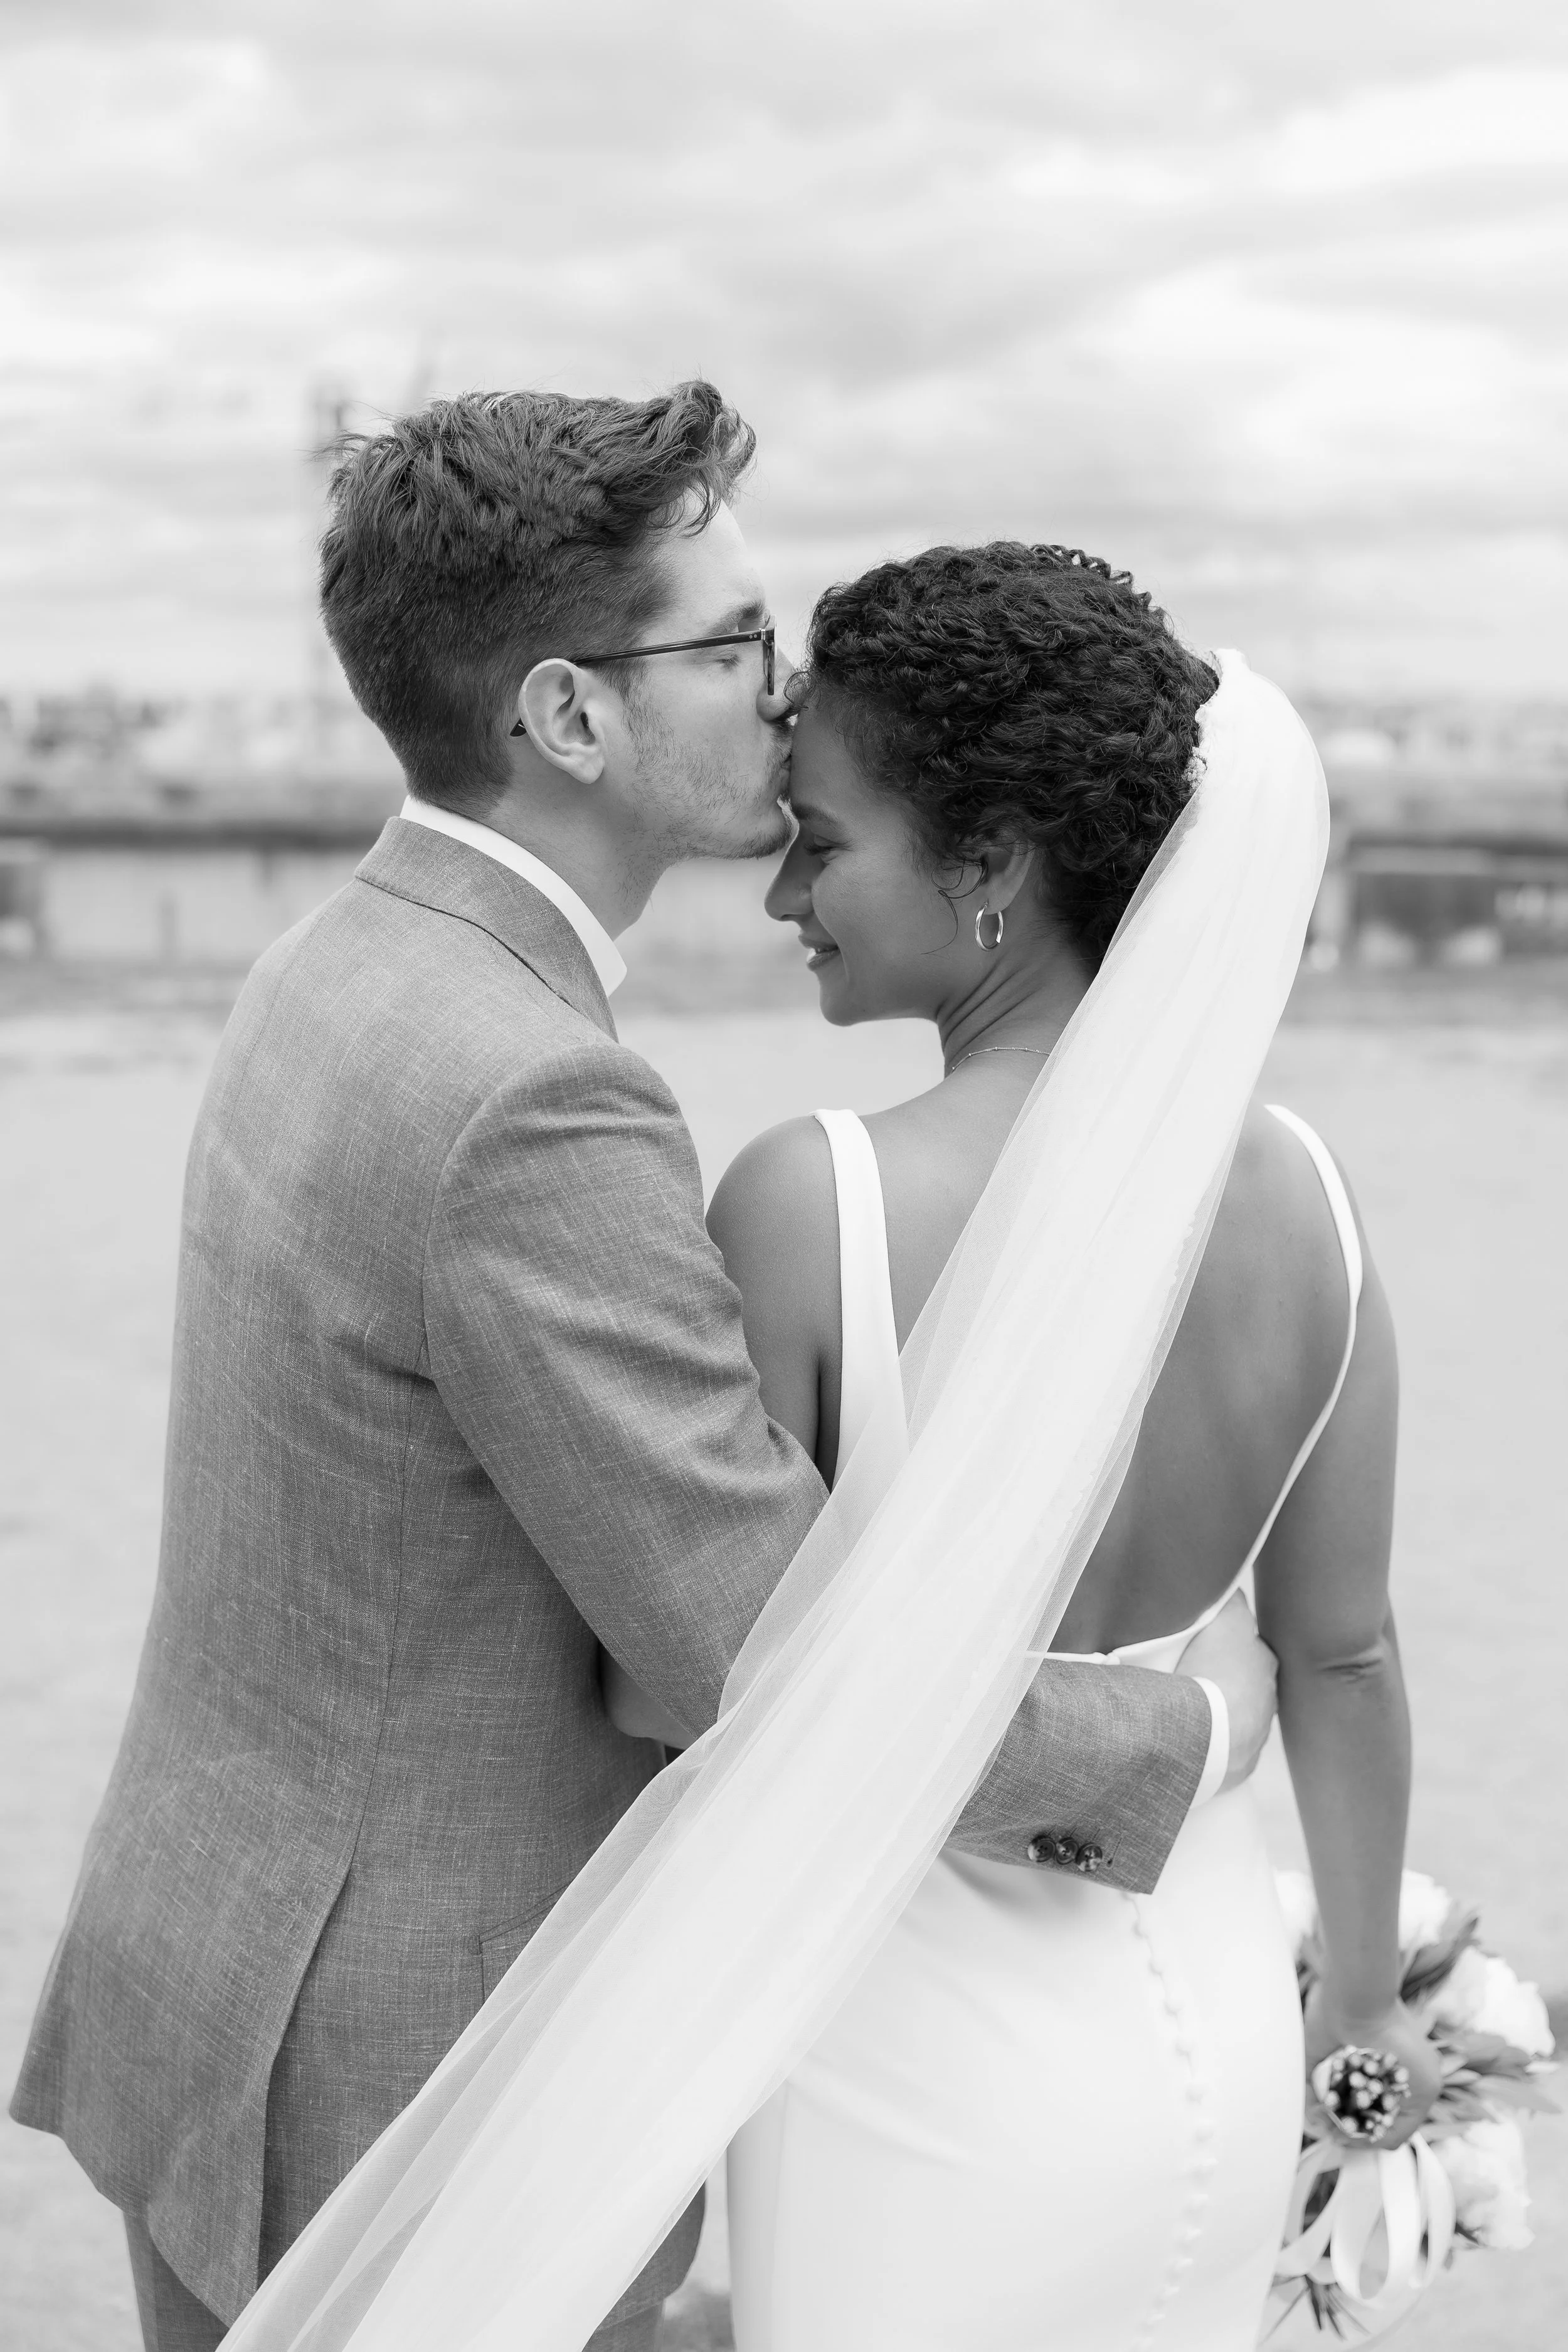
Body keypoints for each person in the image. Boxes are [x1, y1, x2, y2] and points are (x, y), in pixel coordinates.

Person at [9, 389, 1273, 2352]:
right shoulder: (534, 1096)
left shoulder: (340, 960)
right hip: (406, 2089)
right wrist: (1178, 1737)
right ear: (569, 715)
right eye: (735, 638)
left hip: (223, 1972)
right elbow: (754, 1646)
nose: (786, 688)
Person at [699, 544, 1441, 2349]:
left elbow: (698, 1680)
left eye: (820, 840)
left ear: (989, 865)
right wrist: (1362, 2008)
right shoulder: (1309, 1195)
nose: (782, 893)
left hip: (909, 2079)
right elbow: (1342, 1656)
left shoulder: (817, 1202)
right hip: (1215, 2040)